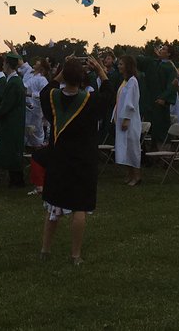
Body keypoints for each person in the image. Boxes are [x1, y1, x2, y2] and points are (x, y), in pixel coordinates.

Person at [39, 56, 114, 265]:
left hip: (59, 160)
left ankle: (45, 249)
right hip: (82, 161)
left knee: (54, 207)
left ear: (63, 76)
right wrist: (100, 70)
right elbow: (109, 94)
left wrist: (63, 71)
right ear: (82, 79)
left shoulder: (52, 97)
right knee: (79, 208)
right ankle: (75, 255)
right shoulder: (90, 102)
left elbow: (46, 89)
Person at [0, 52, 27, 187]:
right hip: (12, 120)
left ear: (8, 65)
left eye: (4, 63)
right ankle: (14, 179)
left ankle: (17, 181)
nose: (3, 66)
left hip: (12, 121)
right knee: (12, 150)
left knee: (13, 151)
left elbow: (8, 105)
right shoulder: (13, 81)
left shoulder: (14, 82)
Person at [137, 45, 177, 147]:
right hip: (150, 102)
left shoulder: (170, 68)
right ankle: (149, 157)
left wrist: (163, 98)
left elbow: (171, 86)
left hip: (160, 104)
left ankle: (163, 156)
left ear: (168, 54)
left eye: (164, 49)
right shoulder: (153, 63)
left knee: (161, 130)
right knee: (149, 131)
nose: (160, 50)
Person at [113, 55, 143, 186]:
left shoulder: (132, 81)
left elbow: (131, 101)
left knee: (132, 147)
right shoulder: (125, 81)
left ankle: (137, 176)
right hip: (121, 120)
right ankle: (129, 173)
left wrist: (126, 118)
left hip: (129, 121)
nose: (119, 66)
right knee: (125, 148)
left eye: (121, 64)